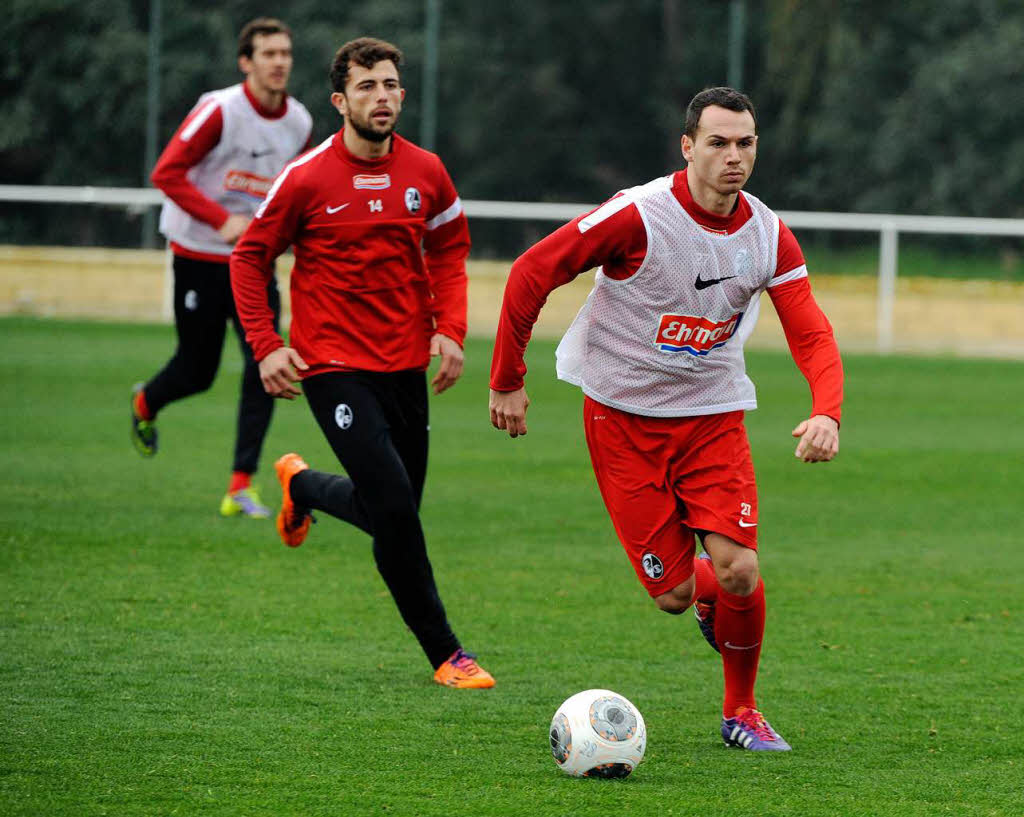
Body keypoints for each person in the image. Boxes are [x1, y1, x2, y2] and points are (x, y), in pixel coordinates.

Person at [490, 87, 843, 749]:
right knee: (676, 594)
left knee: (741, 566)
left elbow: (813, 334)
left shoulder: (766, 232)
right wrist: (508, 378)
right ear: (687, 147)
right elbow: (532, 271)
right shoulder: (640, 217)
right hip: (622, 421)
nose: (733, 156)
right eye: (718, 142)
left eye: (745, 143)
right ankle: (709, 594)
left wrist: (827, 411)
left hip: (712, 416)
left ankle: (742, 710)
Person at [230, 37, 495, 689]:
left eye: (390, 85)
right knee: (396, 508)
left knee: (390, 510)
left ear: (402, 95)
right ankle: (446, 651)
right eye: (367, 86)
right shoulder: (307, 178)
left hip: (405, 363)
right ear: (340, 100)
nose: (381, 97)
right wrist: (267, 345)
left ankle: (302, 486)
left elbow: (448, 252)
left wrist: (451, 331)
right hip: (331, 363)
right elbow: (248, 258)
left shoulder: (427, 172)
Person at [131, 17, 313, 520]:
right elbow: (165, 172)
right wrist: (220, 220)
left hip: (253, 262)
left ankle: (240, 486)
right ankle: (146, 401)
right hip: (197, 255)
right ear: (246, 62)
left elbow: (296, 191)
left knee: (266, 366)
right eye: (268, 54)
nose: (279, 62)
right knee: (197, 370)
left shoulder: (298, 121)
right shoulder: (220, 110)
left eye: (285, 53)